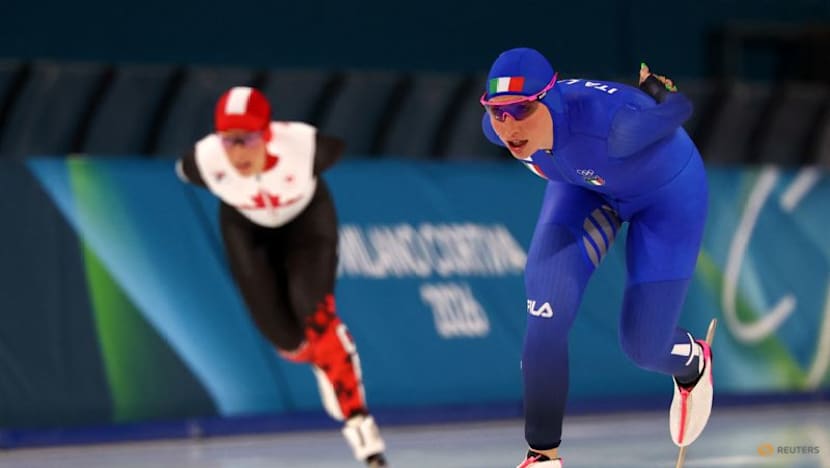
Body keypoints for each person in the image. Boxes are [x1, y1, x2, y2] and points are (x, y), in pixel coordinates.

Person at [480, 48, 714, 467]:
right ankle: (543, 455)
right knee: (545, 309)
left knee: (643, 346)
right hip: (586, 190)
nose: (509, 126)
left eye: (521, 110)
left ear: (547, 98)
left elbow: (680, 109)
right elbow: (506, 118)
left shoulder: (615, 127)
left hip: (667, 196)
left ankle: (692, 361)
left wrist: (656, 96)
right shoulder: (497, 127)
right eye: (498, 113)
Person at [176, 86, 388, 467]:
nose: (238, 152)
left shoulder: (307, 147)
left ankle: (361, 430)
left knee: (316, 312)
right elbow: (184, 168)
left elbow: (342, 145)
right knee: (286, 341)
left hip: (307, 223)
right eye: (229, 141)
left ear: (269, 133)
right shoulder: (203, 161)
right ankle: (321, 357)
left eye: (247, 139)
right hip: (246, 229)